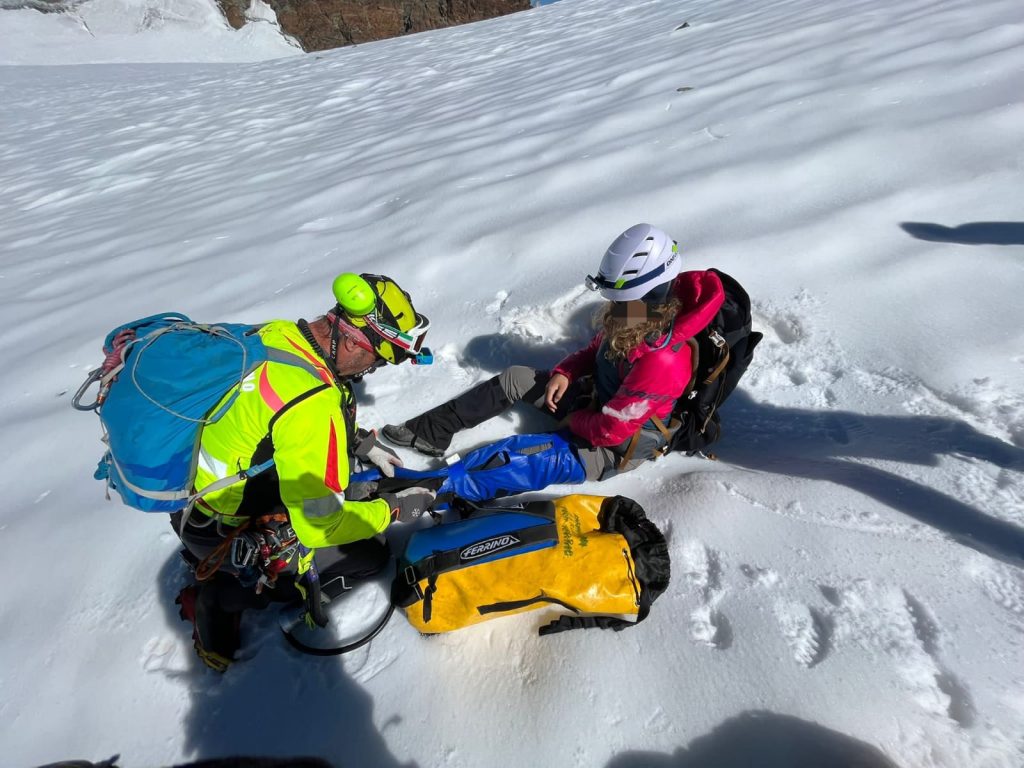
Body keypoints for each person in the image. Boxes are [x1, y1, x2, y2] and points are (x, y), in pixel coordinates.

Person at [174, 273, 436, 672]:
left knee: (352, 494)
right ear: (352, 342)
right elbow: (319, 527)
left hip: (194, 494)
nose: (373, 369)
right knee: (370, 554)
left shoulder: (280, 335)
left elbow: (271, 417)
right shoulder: (313, 403)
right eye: (378, 359)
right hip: (222, 530)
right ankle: (221, 599)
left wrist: (359, 442)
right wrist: (393, 510)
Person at [382, 224, 726, 481]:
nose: (612, 304)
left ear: (645, 290)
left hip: (616, 448)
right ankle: (428, 432)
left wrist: (573, 421)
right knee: (516, 378)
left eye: (617, 297)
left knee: (515, 460)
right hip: (598, 405)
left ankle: (435, 487)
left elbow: (611, 431)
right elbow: (598, 349)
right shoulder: (641, 312)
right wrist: (565, 372)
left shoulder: (663, 359)